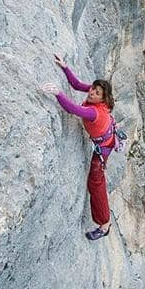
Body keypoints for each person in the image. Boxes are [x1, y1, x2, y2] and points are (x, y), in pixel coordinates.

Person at [40, 54, 115, 241]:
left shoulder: (93, 112)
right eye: (93, 89)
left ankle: (104, 224)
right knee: (96, 181)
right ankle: (104, 222)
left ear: (102, 99)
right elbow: (77, 84)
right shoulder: (98, 98)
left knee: (96, 183)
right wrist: (65, 67)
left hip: (103, 147)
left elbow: (73, 109)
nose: (92, 93)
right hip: (106, 138)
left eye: (97, 93)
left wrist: (58, 93)